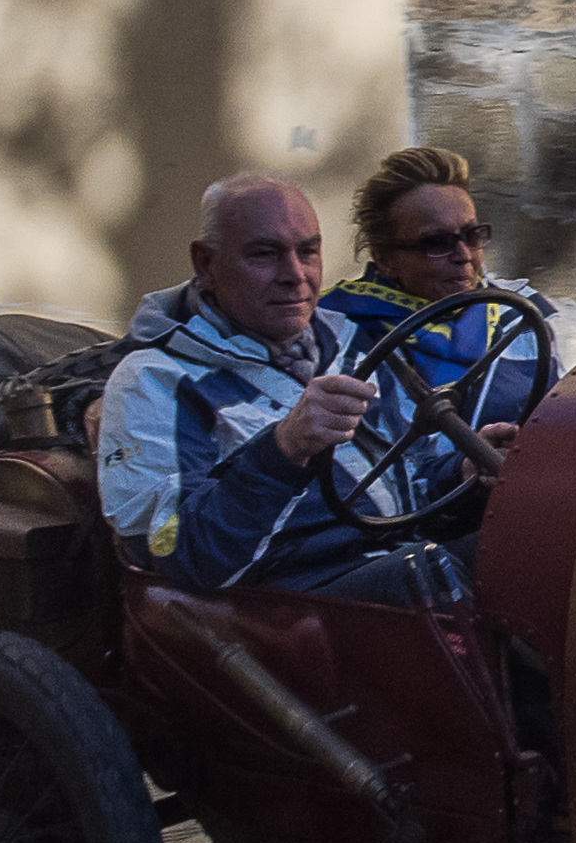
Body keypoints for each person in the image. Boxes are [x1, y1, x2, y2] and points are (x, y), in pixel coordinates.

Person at [95, 171, 461, 600]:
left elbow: (415, 473)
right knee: (431, 576)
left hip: (395, 561)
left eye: (308, 252)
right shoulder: (154, 381)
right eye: (264, 254)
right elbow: (178, 552)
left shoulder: (352, 344)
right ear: (206, 264)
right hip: (284, 607)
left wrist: (463, 473)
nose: (295, 274)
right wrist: (283, 448)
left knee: (540, 548)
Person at [323, 146, 554, 461]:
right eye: (437, 242)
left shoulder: (520, 319)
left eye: (472, 235)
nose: (464, 256)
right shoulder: (341, 334)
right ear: (386, 258)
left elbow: (562, 425)